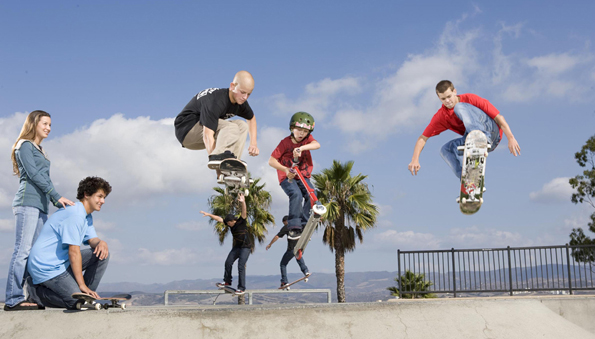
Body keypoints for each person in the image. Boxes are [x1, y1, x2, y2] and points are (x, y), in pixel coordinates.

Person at [4, 110, 75, 311]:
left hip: (41, 206)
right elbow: (34, 175)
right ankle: (12, 299)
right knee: (22, 251)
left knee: (34, 254)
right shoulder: (24, 145)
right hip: (27, 202)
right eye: (44, 123)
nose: (48, 128)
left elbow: (46, 178)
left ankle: (32, 297)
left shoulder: (40, 149)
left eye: (50, 125)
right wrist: (56, 195)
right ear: (34, 124)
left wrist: (56, 199)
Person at [26, 176, 112, 310]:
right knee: (75, 303)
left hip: (61, 263)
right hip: (46, 266)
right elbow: (74, 252)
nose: (103, 201)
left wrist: (101, 242)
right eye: (99, 196)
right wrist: (81, 284)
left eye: (104, 197)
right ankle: (35, 294)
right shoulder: (75, 215)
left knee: (102, 254)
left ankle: (86, 296)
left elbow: (92, 240)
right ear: (87, 194)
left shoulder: (86, 216)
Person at [408, 80, 521, 180]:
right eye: (443, 99)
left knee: (459, 107)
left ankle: (480, 139)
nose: (447, 101)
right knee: (445, 150)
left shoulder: (469, 99)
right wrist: (415, 159)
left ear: (455, 92)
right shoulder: (441, 116)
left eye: (449, 96)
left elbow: (499, 118)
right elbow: (422, 138)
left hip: (491, 133)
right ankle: (468, 179)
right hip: (472, 139)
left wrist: (511, 138)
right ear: (439, 98)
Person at [174, 70, 260, 176]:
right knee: (231, 127)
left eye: (248, 94)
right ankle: (219, 158)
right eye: (242, 92)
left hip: (200, 133)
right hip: (187, 129)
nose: (245, 97)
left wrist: (253, 143)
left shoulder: (241, 103)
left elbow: (251, 119)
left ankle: (232, 164)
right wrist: (218, 170)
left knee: (242, 125)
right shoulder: (216, 101)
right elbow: (207, 136)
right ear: (232, 86)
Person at [268, 112, 320, 236]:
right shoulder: (285, 143)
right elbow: (271, 161)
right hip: (287, 177)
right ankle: (294, 225)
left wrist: (301, 148)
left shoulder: (308, 140)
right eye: (298, 130)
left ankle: (304, 222)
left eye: (305, 131)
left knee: (312, 194)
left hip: (302, 176)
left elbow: (317, 145)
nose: (301, 134)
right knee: (296, 194)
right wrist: (285, 170)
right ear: (292, 128)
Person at [201, 194, 251, 295]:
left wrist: (243, 202)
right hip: (237, 247)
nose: (228, 225)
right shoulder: (228, 223)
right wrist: (209, 215)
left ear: (233, 221)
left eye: (229, 223)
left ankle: (241, 288)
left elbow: (244, 212)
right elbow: (219, 219)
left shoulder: (241, 221)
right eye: (227, 223)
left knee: (241, 266)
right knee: (228, 262)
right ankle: (227, 281)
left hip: (246, 247)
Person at [266, 216, 310, 288]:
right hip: (301, 248)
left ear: (286, 221)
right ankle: (305, 271)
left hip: (292, 249)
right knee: (298, 257)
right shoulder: (299, 225)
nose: (284, 225)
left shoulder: (287, 227)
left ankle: (285, 281)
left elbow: (277, 236)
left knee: (283, 264)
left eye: (284, 223)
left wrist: (270, 244)